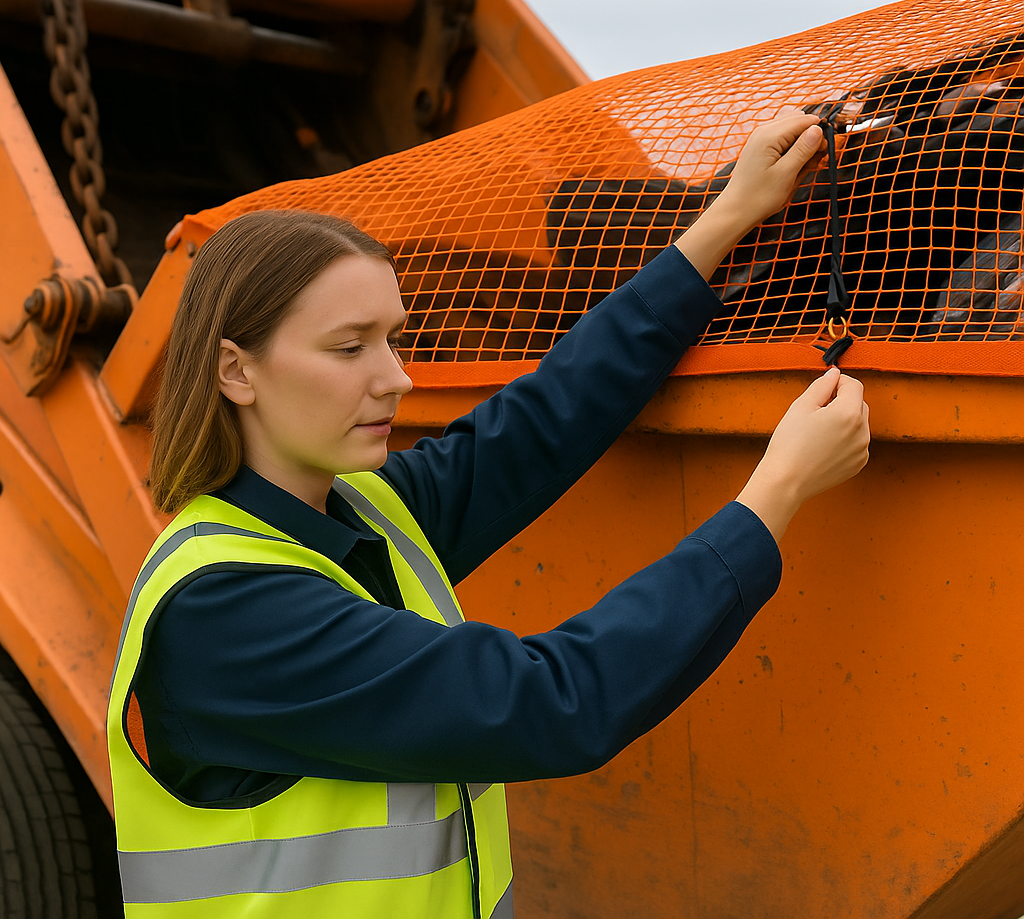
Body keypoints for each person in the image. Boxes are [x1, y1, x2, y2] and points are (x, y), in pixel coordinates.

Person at [107, 112, 870, 919]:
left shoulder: (360, 511)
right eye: (349, 347)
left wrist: (723, 221)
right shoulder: (226, 610)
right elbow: (553, 702)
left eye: (393, 339)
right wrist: (776, 490)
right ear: (237, 371)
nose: (396, 378)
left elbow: (541, 424)